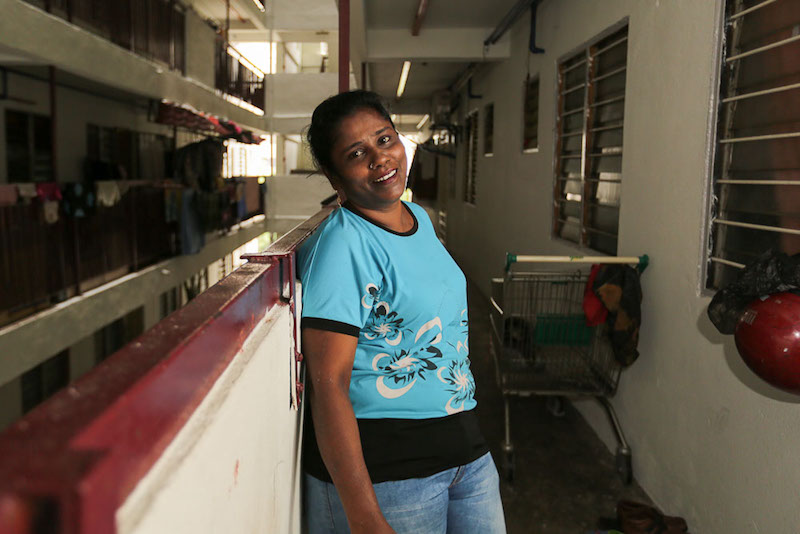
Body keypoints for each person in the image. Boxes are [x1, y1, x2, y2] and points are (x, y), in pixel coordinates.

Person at [298, 90, 506, 534]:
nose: (380, 159)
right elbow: (327, 383)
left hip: (466, 455)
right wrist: (364, 515)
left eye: (385, 139)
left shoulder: (419, 217)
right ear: (337, 180)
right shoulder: (342, 245)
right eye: (357, 153)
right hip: (390, 473)